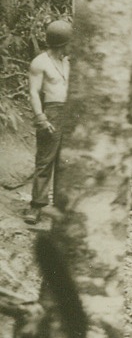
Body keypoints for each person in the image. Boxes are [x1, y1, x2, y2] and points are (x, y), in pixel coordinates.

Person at [26, 20, 71, 226]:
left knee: (65, 161)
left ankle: (61, 205)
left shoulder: (67, 62)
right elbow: (34, 92)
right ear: (61, 43)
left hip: (69, 113)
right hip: (51, 112)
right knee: (45, 160)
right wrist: (40, 117)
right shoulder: (40, 62)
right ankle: (37, 205)